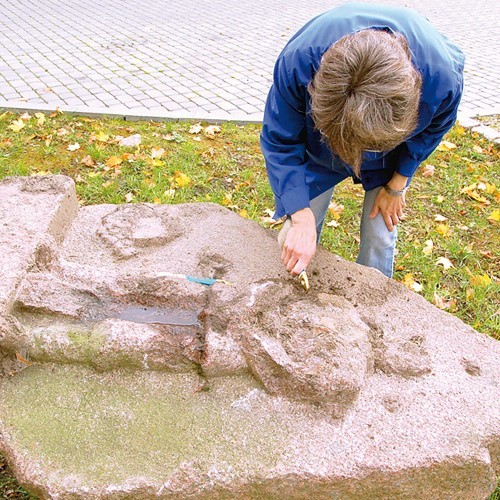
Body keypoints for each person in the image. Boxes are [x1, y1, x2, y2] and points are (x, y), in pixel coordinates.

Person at [260, 2, 464, 278]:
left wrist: (397, 184)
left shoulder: (441, 79)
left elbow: (432, 130)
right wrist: (299, 213)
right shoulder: (299, 62)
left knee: (380, 230)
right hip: (320, 146)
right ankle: (296, 285)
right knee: (299, 225)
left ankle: (374, 301)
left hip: (390, 155)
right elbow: (280, 141)